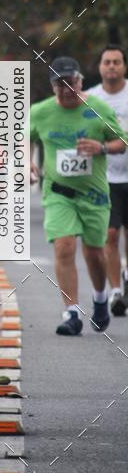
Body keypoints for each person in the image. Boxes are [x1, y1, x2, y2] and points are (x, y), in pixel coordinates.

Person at [29, 56, 127, 337]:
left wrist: (101, 147)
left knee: (94, 253)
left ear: (80, 81)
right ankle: (71, 312)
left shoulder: (99, 109)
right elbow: (21, 138)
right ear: (52, 87)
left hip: (94, 195)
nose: (66, 90)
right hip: (58, 193)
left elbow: (122, 142)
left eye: (70, 83)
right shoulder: (41, 112)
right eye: (59, 85)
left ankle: (100, 298)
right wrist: (25, 162)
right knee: (64, 246)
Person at [88, 45, 128, 316]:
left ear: (124, 66)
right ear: (100, 67)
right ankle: (115, 292)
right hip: (106, 177)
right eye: (107, 62)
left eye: (116, 61)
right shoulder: (91, 98)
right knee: (110, 235)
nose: (111, 66)